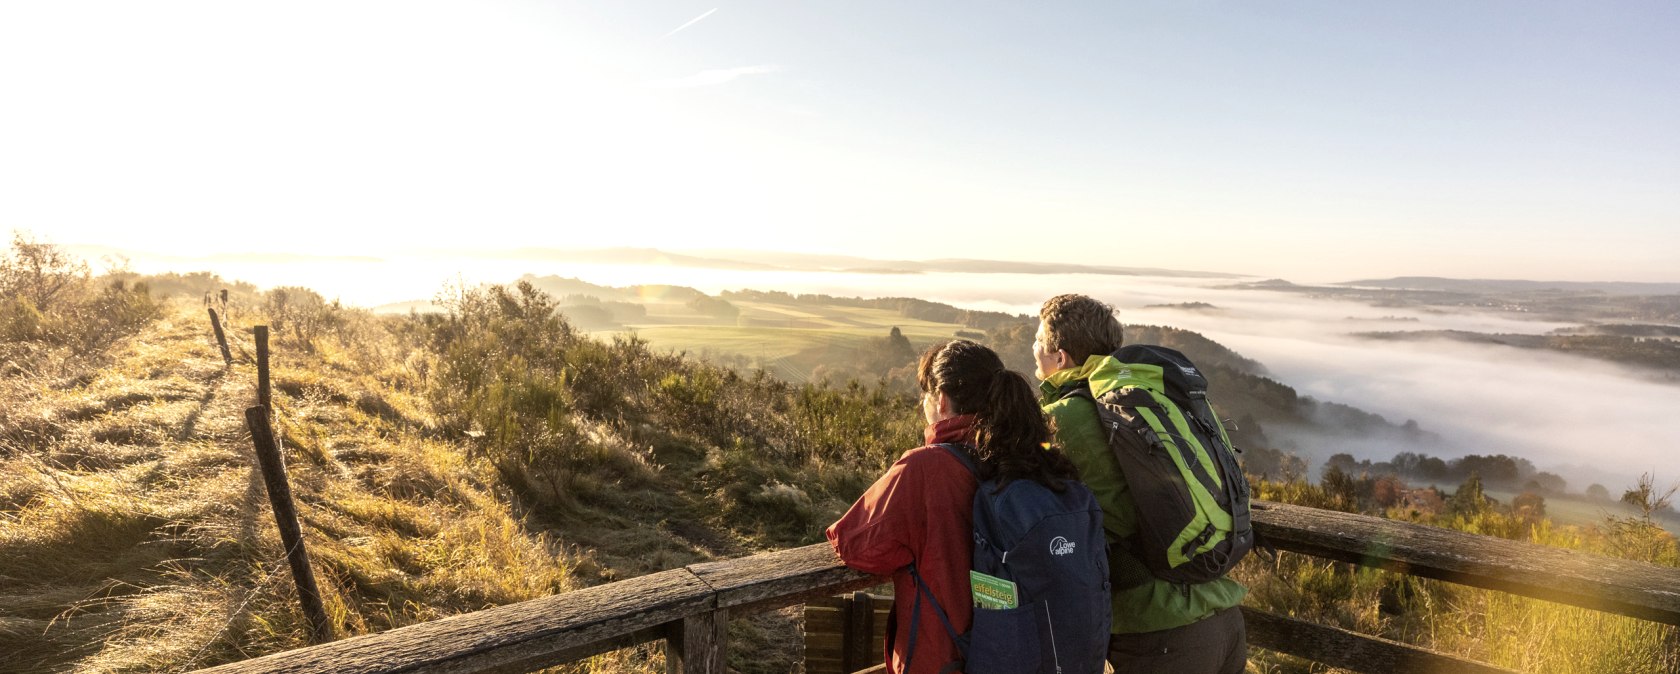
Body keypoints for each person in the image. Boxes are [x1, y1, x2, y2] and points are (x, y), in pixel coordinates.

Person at [828, 339, 1082, 674]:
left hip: (947, 657)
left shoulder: (925, 469)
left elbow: (855, 545)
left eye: (926, 394)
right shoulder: (1036, 457)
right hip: (1024, 653)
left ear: (942, 399)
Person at [1033, 294, 1248, 674]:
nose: (1033, 350)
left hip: (1160, 637)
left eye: (1037, 341)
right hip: (1224, 617)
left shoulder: (1061, 418)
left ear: (1060, 356)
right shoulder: (1144, 399)